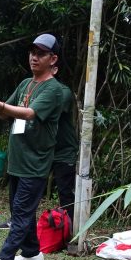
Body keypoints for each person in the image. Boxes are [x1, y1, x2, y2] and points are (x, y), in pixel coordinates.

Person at [0, 34, 69, 260]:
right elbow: (6, 112)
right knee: (22, 210)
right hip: (18, 161)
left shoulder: (55, 90)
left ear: (53, 59)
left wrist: (1, 106)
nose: (34, 57)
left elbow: (29, 113)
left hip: (35, 163)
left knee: (20, 212)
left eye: (40, 53)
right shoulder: (25, 84)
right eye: (32, 52)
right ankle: (31, 252)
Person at [51, 66, 78, 224]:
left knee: (65, 192)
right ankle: (18, 220)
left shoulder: (64, 92)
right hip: (44, 150)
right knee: (29, 186)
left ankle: (70, 228)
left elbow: (47, 113)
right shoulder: (33, 89)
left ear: (54, 69)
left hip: (64, 151)